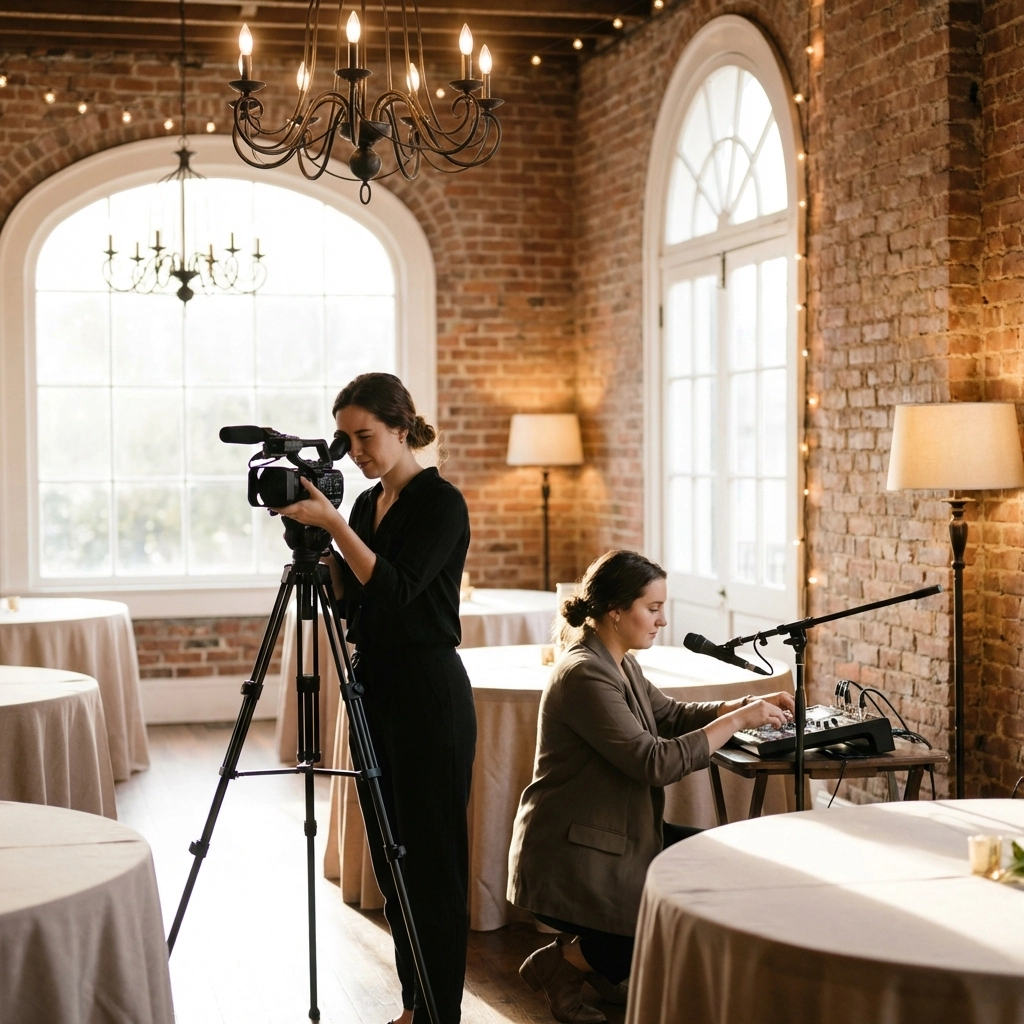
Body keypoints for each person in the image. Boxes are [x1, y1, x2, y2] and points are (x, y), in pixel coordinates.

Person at [507, 550, 794, 1024]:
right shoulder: (584, 673)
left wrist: (745, 703)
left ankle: (591, 962)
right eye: (653, 607)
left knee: (712, 863)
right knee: (672, 895)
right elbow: (653, 761)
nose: (663, 620)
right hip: (573, 848)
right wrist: (741, 719)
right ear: (616, 611)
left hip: (611, 837)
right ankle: (564, 965)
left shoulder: (618, 661)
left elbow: (672, 716)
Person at [272, 372, 476, 1024]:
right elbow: (355, 601)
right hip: (373, 687)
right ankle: (415, 1006)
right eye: (346, 439)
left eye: (365, 436)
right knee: (394, 868)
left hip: (429, 693)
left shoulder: (441, 503)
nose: (355, 452)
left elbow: (397, 590)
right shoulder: (364, 507)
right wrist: (313, 545)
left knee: (433, 870)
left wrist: (333, 524)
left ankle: (440, 1013)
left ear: (402, 426)